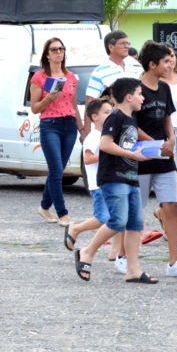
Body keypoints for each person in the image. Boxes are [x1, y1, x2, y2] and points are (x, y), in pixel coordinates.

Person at [72, 78, 157, 284]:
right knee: (118, 221)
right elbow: (106, 144)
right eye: (139, 93)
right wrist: (133, 154)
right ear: (128, 97)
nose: (142, 98)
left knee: (135, 224)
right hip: (113, 177)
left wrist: (148, 150)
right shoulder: (115, 117)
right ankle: (87, 251)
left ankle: (133, 270)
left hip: (130, 177)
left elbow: (128, 145)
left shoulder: (130, 119)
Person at [133, 42, 177, 278]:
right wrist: (155, 143)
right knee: (134, 209)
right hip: (141, 155)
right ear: (152, 64)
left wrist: (170, 139)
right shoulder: (135, 89)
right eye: (166, 62)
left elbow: (168, 118)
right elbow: (132, 124)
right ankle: (125, 257)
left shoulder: (164, 88)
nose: (171, 65)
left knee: (172, 206)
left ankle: (175, 262)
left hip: (164, 155)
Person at [29, 37, 82, 225]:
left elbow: (73, 105)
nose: (58, 52)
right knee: (57, 169)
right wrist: (49, 99)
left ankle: (44, 207)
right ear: (47, 55)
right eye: (54, 49)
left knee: (56, 171)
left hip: (69, 125)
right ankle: (62, 213)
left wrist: (81, 128)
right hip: (50, 124)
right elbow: (35, 108)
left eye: (61, 49)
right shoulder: (39, 77)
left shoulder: (71, 77)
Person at [64, 99, 112, 254]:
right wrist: (107, 154)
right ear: (94, 116)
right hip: (97, 185)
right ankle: (76, 228)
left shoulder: (107, 135)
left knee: (115, 217)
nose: (110, 115)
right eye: (106, 113)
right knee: (102, 218)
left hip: (109, 182)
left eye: (111, 112)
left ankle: (117, 253)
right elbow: (88, 159)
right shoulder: (93, 137)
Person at [84, 30, 141, 128]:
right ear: (110, 47)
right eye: (122, 43)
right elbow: (90, 101)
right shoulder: (100, 71)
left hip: (137, 121)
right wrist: (87, 128)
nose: (126, 46)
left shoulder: (135, 68)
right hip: (113, 124)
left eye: (128, 43)